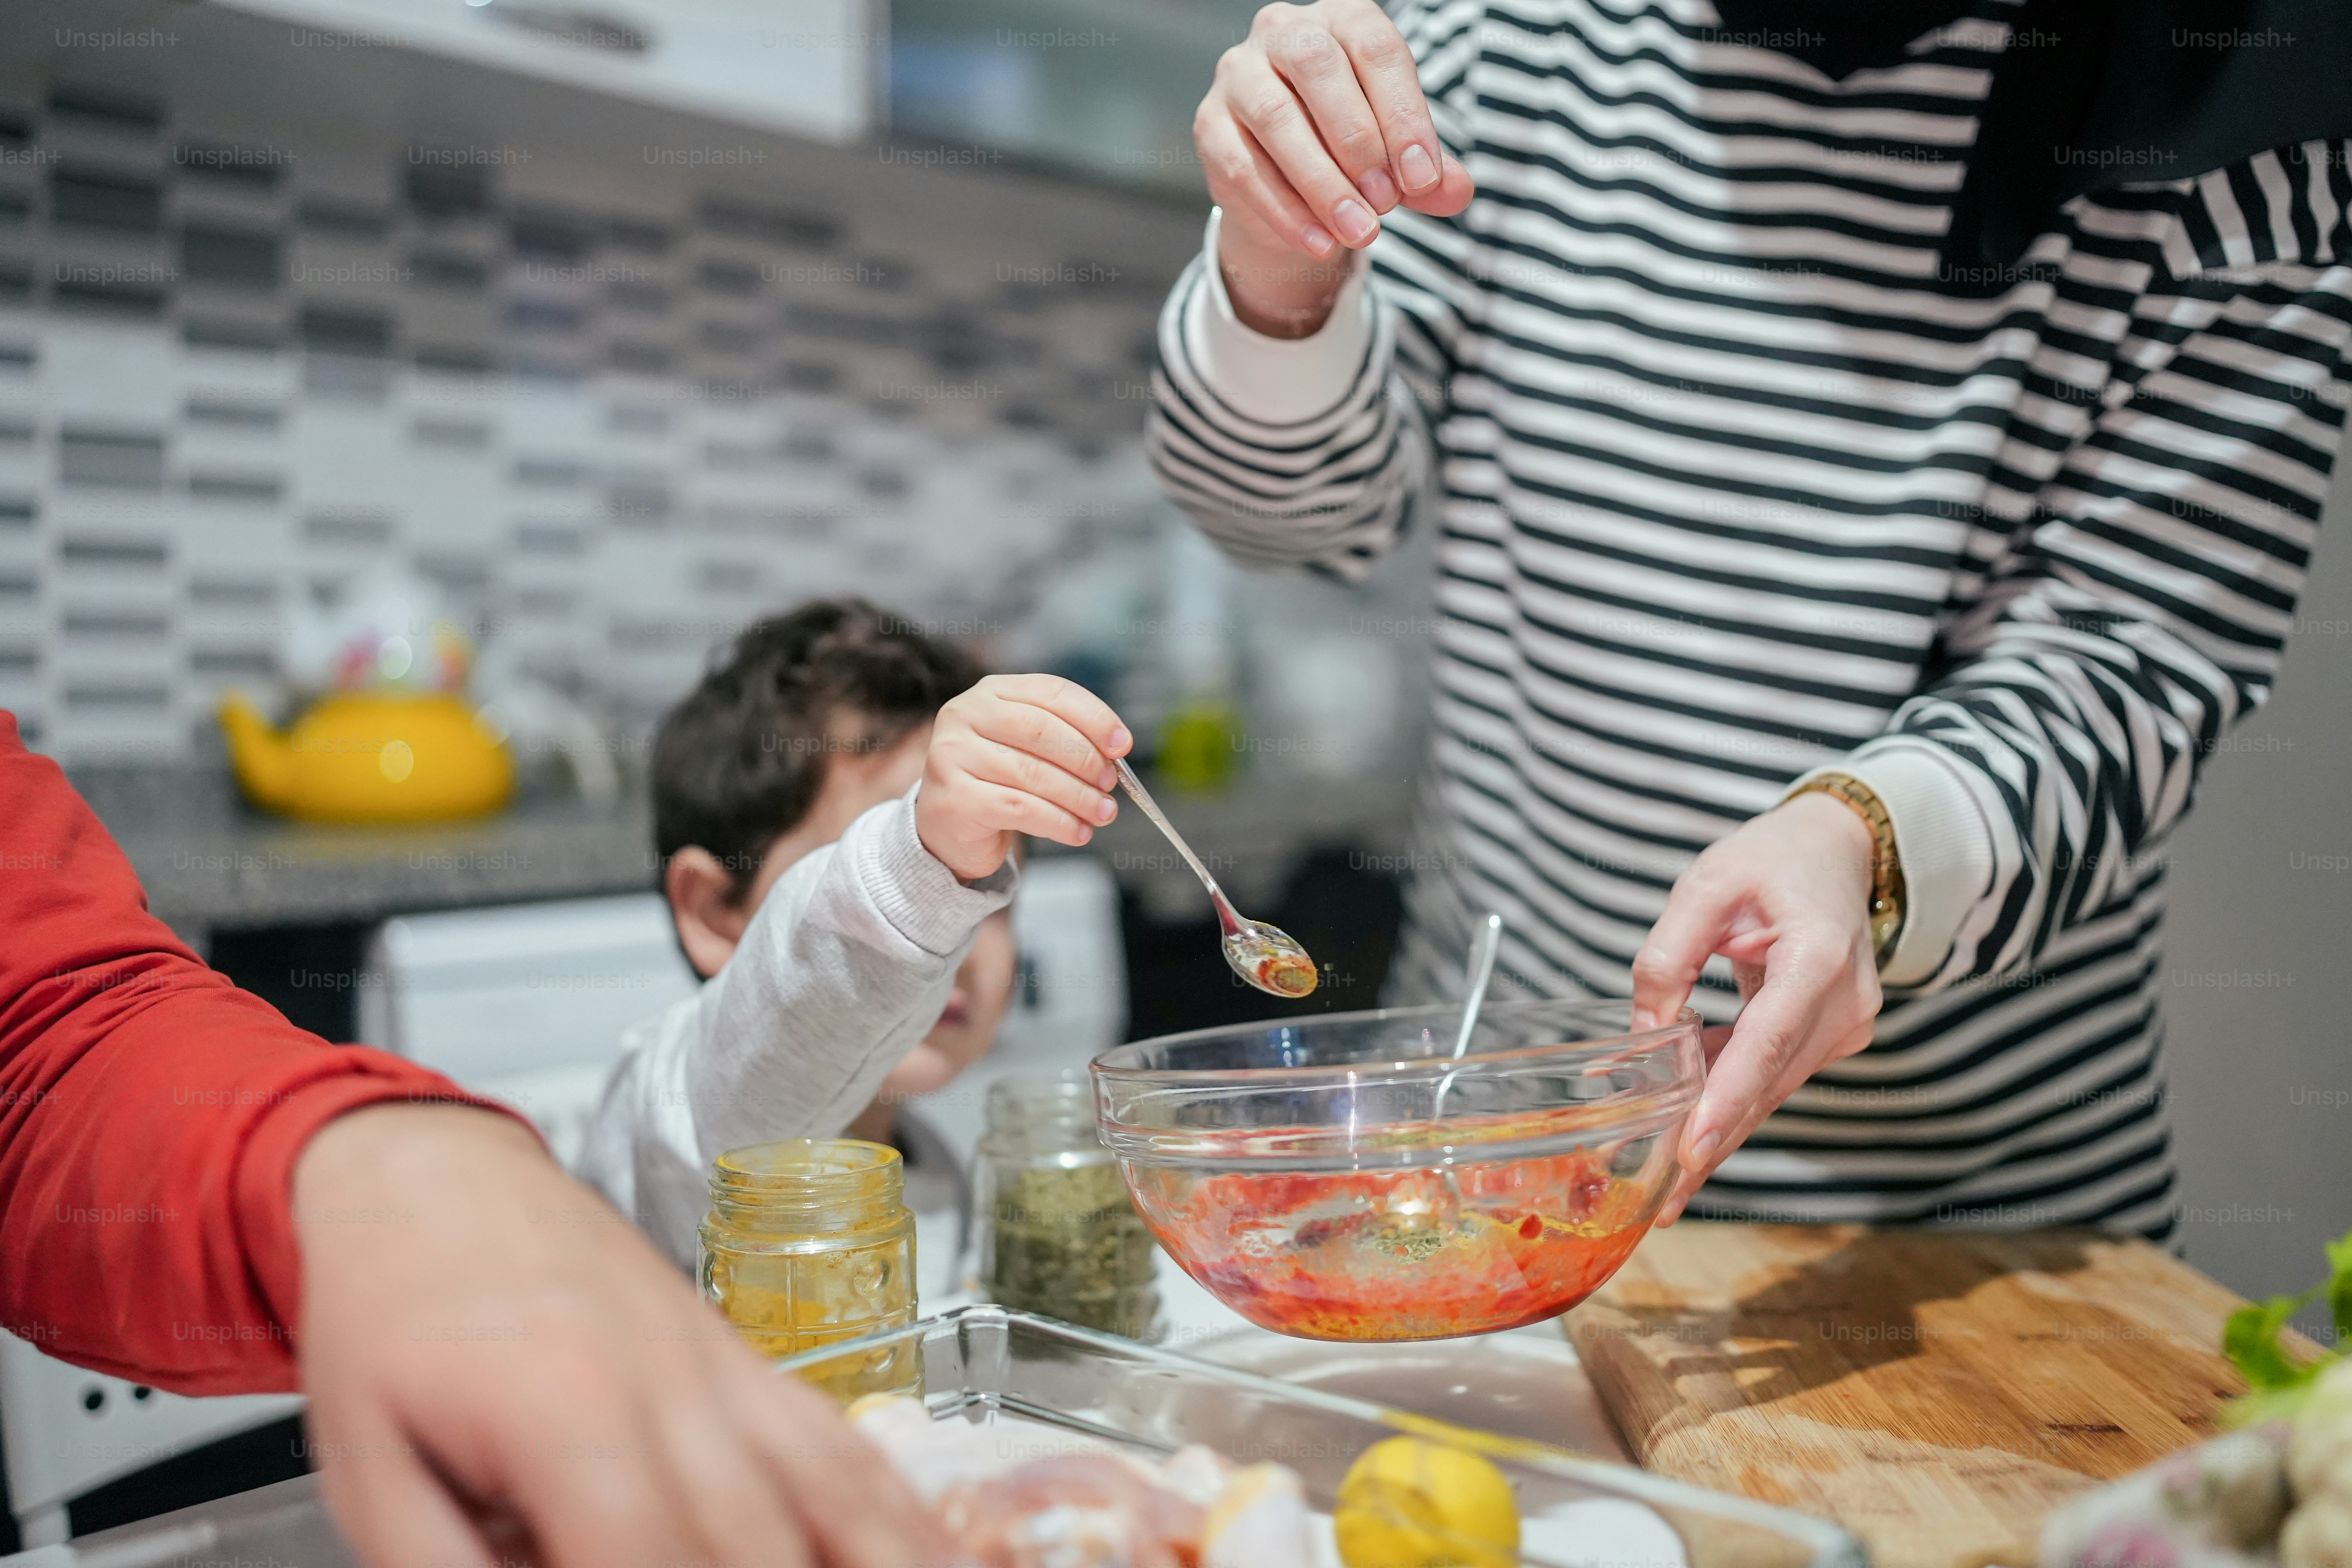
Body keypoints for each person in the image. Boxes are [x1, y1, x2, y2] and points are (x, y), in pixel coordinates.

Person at [1149, 0, 2351, 1237]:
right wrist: (1280, 267)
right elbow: (1288, 523)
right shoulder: (1512, 31)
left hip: (1966, 1231)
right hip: (1500, 1144)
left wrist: (1863, 840)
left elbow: (2136, 663)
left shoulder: (2245, 121)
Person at [0, 712, 961, 1568]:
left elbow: (44, 1027)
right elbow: (780, 1030)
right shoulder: (707, 1120)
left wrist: (372, 1157)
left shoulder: (949, 1162)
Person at [576, 600, 1130, 1267]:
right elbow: (767, 1059)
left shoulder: (942, 1175)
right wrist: (922, 855)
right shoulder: (665, 1122)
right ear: (715, 911)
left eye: (988, 891)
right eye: (885, 869)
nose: (954, 938)